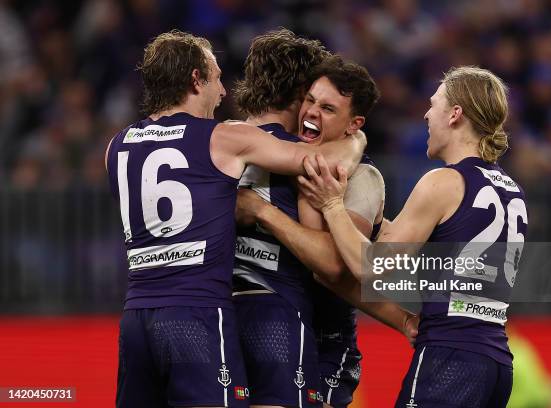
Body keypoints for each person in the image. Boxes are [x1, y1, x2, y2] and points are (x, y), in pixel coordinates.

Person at [104, 30, 366, 408]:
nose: (223, 92)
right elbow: (322, 165)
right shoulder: (224, 138)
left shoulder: (117, 145)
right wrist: (356, 139)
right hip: (200, 311)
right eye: (215, 78)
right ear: (195, 79)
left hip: (135, 316)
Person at [298, 66, 528, 408]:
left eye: (433, 104)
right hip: (496, 363)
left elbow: (370, 267)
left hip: (450, 356)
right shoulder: (512, 189)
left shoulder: (443, 182)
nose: (426, 114)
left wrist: (331, 204)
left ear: (455, 115)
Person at [235, 55, 418, 408]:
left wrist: (261, 210)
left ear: (354, 124)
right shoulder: (273, 153)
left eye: (329, 108)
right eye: (310, 100)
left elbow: (334, 271)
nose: (313, 112)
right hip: (264, 322)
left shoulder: (363, 180)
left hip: (325, 339)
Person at [230, 28, 331, 408]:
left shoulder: (214, 141)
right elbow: (330, 265)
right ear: (302, 91)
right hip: (277, 309)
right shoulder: (308, 156)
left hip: (212, 312)